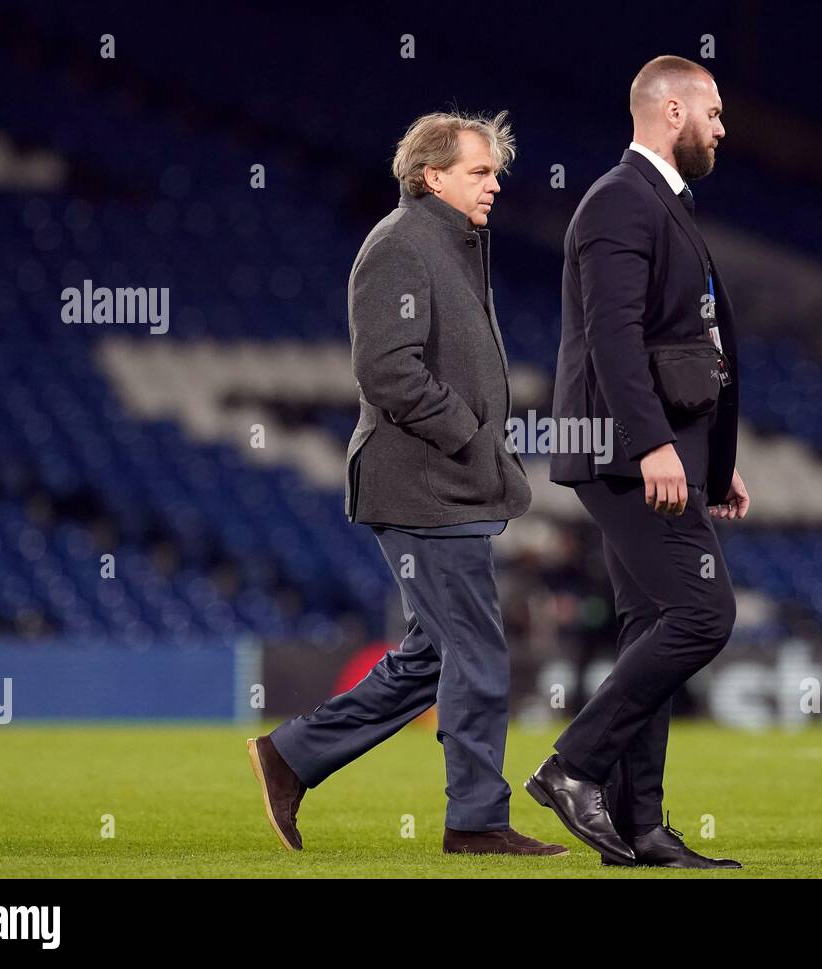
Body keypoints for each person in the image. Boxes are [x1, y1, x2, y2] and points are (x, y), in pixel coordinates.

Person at [247, 110, 563, 857]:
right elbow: (388, 370)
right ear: (432, 176)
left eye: (495, 172)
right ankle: (477, 821)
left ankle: (291, 756)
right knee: (479, 650)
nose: (495, 184)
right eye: (480, 171)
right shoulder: (400, 244)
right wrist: (468, 436)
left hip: (445, 480)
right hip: (423, 482)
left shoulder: (451, 245)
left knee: (434, 653)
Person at [527, 55, 749, 868]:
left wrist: (712, 460)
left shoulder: (659, 202)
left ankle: (640, 824)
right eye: (714, 112)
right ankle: (571, 767)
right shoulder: (623, 197)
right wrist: (655, 441)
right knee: (704, 614)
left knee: (654, 624)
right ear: (670, 112)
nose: (723, 127)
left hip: (648, 448)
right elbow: (613, 335)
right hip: (622, 451)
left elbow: (688, 345)